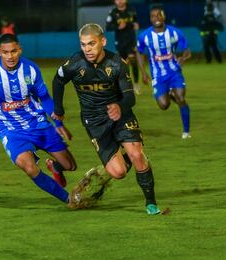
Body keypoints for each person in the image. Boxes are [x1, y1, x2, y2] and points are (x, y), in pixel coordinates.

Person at [0, 34, 78, 207]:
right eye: (5, 52)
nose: (10, 56)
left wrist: (58, 123)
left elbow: (45, 98)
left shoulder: (31, 69)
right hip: (11, 130)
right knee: (30, 167)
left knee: (70, 165)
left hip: (38, 124)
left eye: (14, 51)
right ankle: (69, 199)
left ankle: (55, 167)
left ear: (20, 50)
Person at [52, 23, 161, 215]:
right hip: (94, 121)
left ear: (103, 41)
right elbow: (58, 81)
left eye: (91, 44)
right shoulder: (74, 63)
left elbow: (130, 96)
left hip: (120, 114)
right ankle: (130, 154)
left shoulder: (117, 63)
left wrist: (119, 106)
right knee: (118, 173)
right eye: (83, 44)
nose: (87, 49)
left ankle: (151, 203)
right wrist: (59, 110)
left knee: (137, 156)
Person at [136, 5, 191, 139]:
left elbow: (187, 51)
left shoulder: (175, 32)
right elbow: (139, 52)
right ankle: (171, 96)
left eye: (159, 15)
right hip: (158, 75)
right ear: (150, 19)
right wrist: (143, 72)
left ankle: (186, 132)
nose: (157, 18)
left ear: (164, 16)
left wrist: (183, 58)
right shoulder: (144, 36)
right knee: (164, 105)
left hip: (174, 72)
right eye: (153, 16)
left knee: (181, 98)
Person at [106, 0, 140, 94]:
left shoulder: (131, 10)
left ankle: (136, 85)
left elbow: (135, 21)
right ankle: (123, 85)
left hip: (131, 40)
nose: (119, 1)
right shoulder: (113, 12)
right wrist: (117, 27)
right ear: (115, 1)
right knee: (122, 65)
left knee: (133, 61)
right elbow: (108, 27)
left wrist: (136, 24)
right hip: (120, 42)